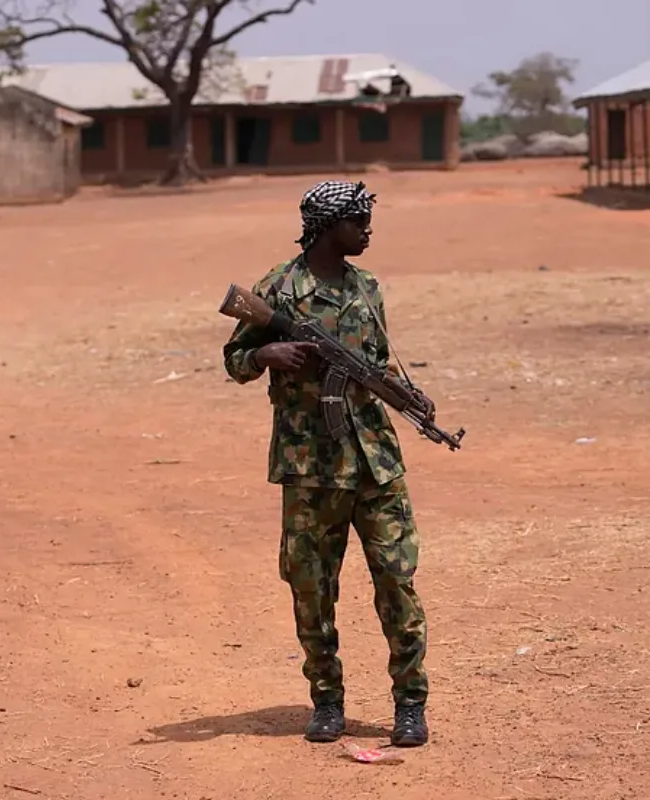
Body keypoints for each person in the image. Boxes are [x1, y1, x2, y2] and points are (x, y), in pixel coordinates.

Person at [222, 179, 434, 747]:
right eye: (357, 221)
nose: (367, 230)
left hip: (376, 462)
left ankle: (410, 704)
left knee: (397, 579)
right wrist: (268, 353)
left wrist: (411, 399)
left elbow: (376, 365)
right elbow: (236, 359)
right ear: (327, 226)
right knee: (312, 587)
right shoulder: (280, 288)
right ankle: (327, 700)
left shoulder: (368, 288)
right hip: (310, 466)